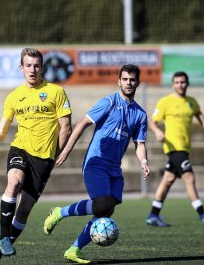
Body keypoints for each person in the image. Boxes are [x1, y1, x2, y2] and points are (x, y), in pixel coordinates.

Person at [43, 64, 151, 264]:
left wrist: (143, 161)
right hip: (96, 162)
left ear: (137, 82)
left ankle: (74, 250)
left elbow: (140, 143)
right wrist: (66, 150)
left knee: (107, 209)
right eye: (125, 79)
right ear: (119, 81)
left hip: (114, 168)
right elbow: (82, 124)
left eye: (132, 79)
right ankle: (60, 212)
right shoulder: (108, 102)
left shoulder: (140, 114)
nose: (129, 83)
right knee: (101, 204)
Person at [0, 47, 72, 265]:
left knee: (24, 210)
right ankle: (3, 238)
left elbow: (65, 127)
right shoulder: (13, 97)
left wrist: (57, 155)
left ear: (42, 68)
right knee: (14, 182)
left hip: (44, 159)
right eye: (28, 65)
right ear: (21, 68)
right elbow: (1, 130)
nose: (33, 70)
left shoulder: (56, 92)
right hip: (20, 149)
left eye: (37, 65)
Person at [145, 71, 204, 227]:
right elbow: (152, 122)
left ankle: (153, 215)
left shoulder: (191, 102)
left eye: (183, 82)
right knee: (189, 178)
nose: (180, 85)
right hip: (173, 147)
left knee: (168, 180)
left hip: (184, 148)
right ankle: (203, 214)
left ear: (187, 83)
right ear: (173, 84)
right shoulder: (165, 102)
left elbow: (202, 120)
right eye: (177, 82)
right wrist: (158, 132)